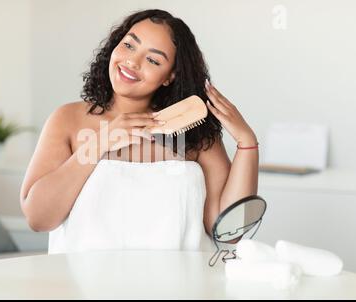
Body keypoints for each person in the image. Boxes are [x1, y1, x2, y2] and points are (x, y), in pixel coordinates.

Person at [19, 9, 259, 254]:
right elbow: (39, 219)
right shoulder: (67, 120)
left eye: (153, 60)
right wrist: (100, 143)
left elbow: (229, 233)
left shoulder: (196, 133)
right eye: (129, 45)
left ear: (170, 76)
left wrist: (247, 142)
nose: (132, 61)